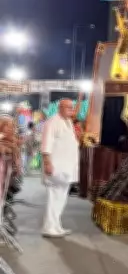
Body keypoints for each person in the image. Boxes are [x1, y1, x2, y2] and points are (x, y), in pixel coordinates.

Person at [40, 99, 79, 238]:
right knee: (54, 198)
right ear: (60, 108)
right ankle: (49, 227)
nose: (71, 109)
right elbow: (46, 144)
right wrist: (47, 163)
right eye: (68, 107)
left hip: (66, 168)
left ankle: (56, 225)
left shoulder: (68, 122)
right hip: (56, 167)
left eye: (72, 107)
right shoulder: (52, 122)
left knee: (61, 198)